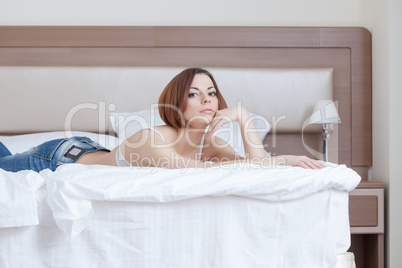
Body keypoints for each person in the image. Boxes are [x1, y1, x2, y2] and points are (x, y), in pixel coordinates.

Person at [0, 68, 326, 173]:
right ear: (177, 103)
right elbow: (200, 173)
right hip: (60, 157)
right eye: (194, 94)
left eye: (211, 93)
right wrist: (282, 159)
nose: (207, 100)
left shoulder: (213, 144)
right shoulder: (152, 139)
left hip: (91, 150)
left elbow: (255, 170)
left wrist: (241, 116)